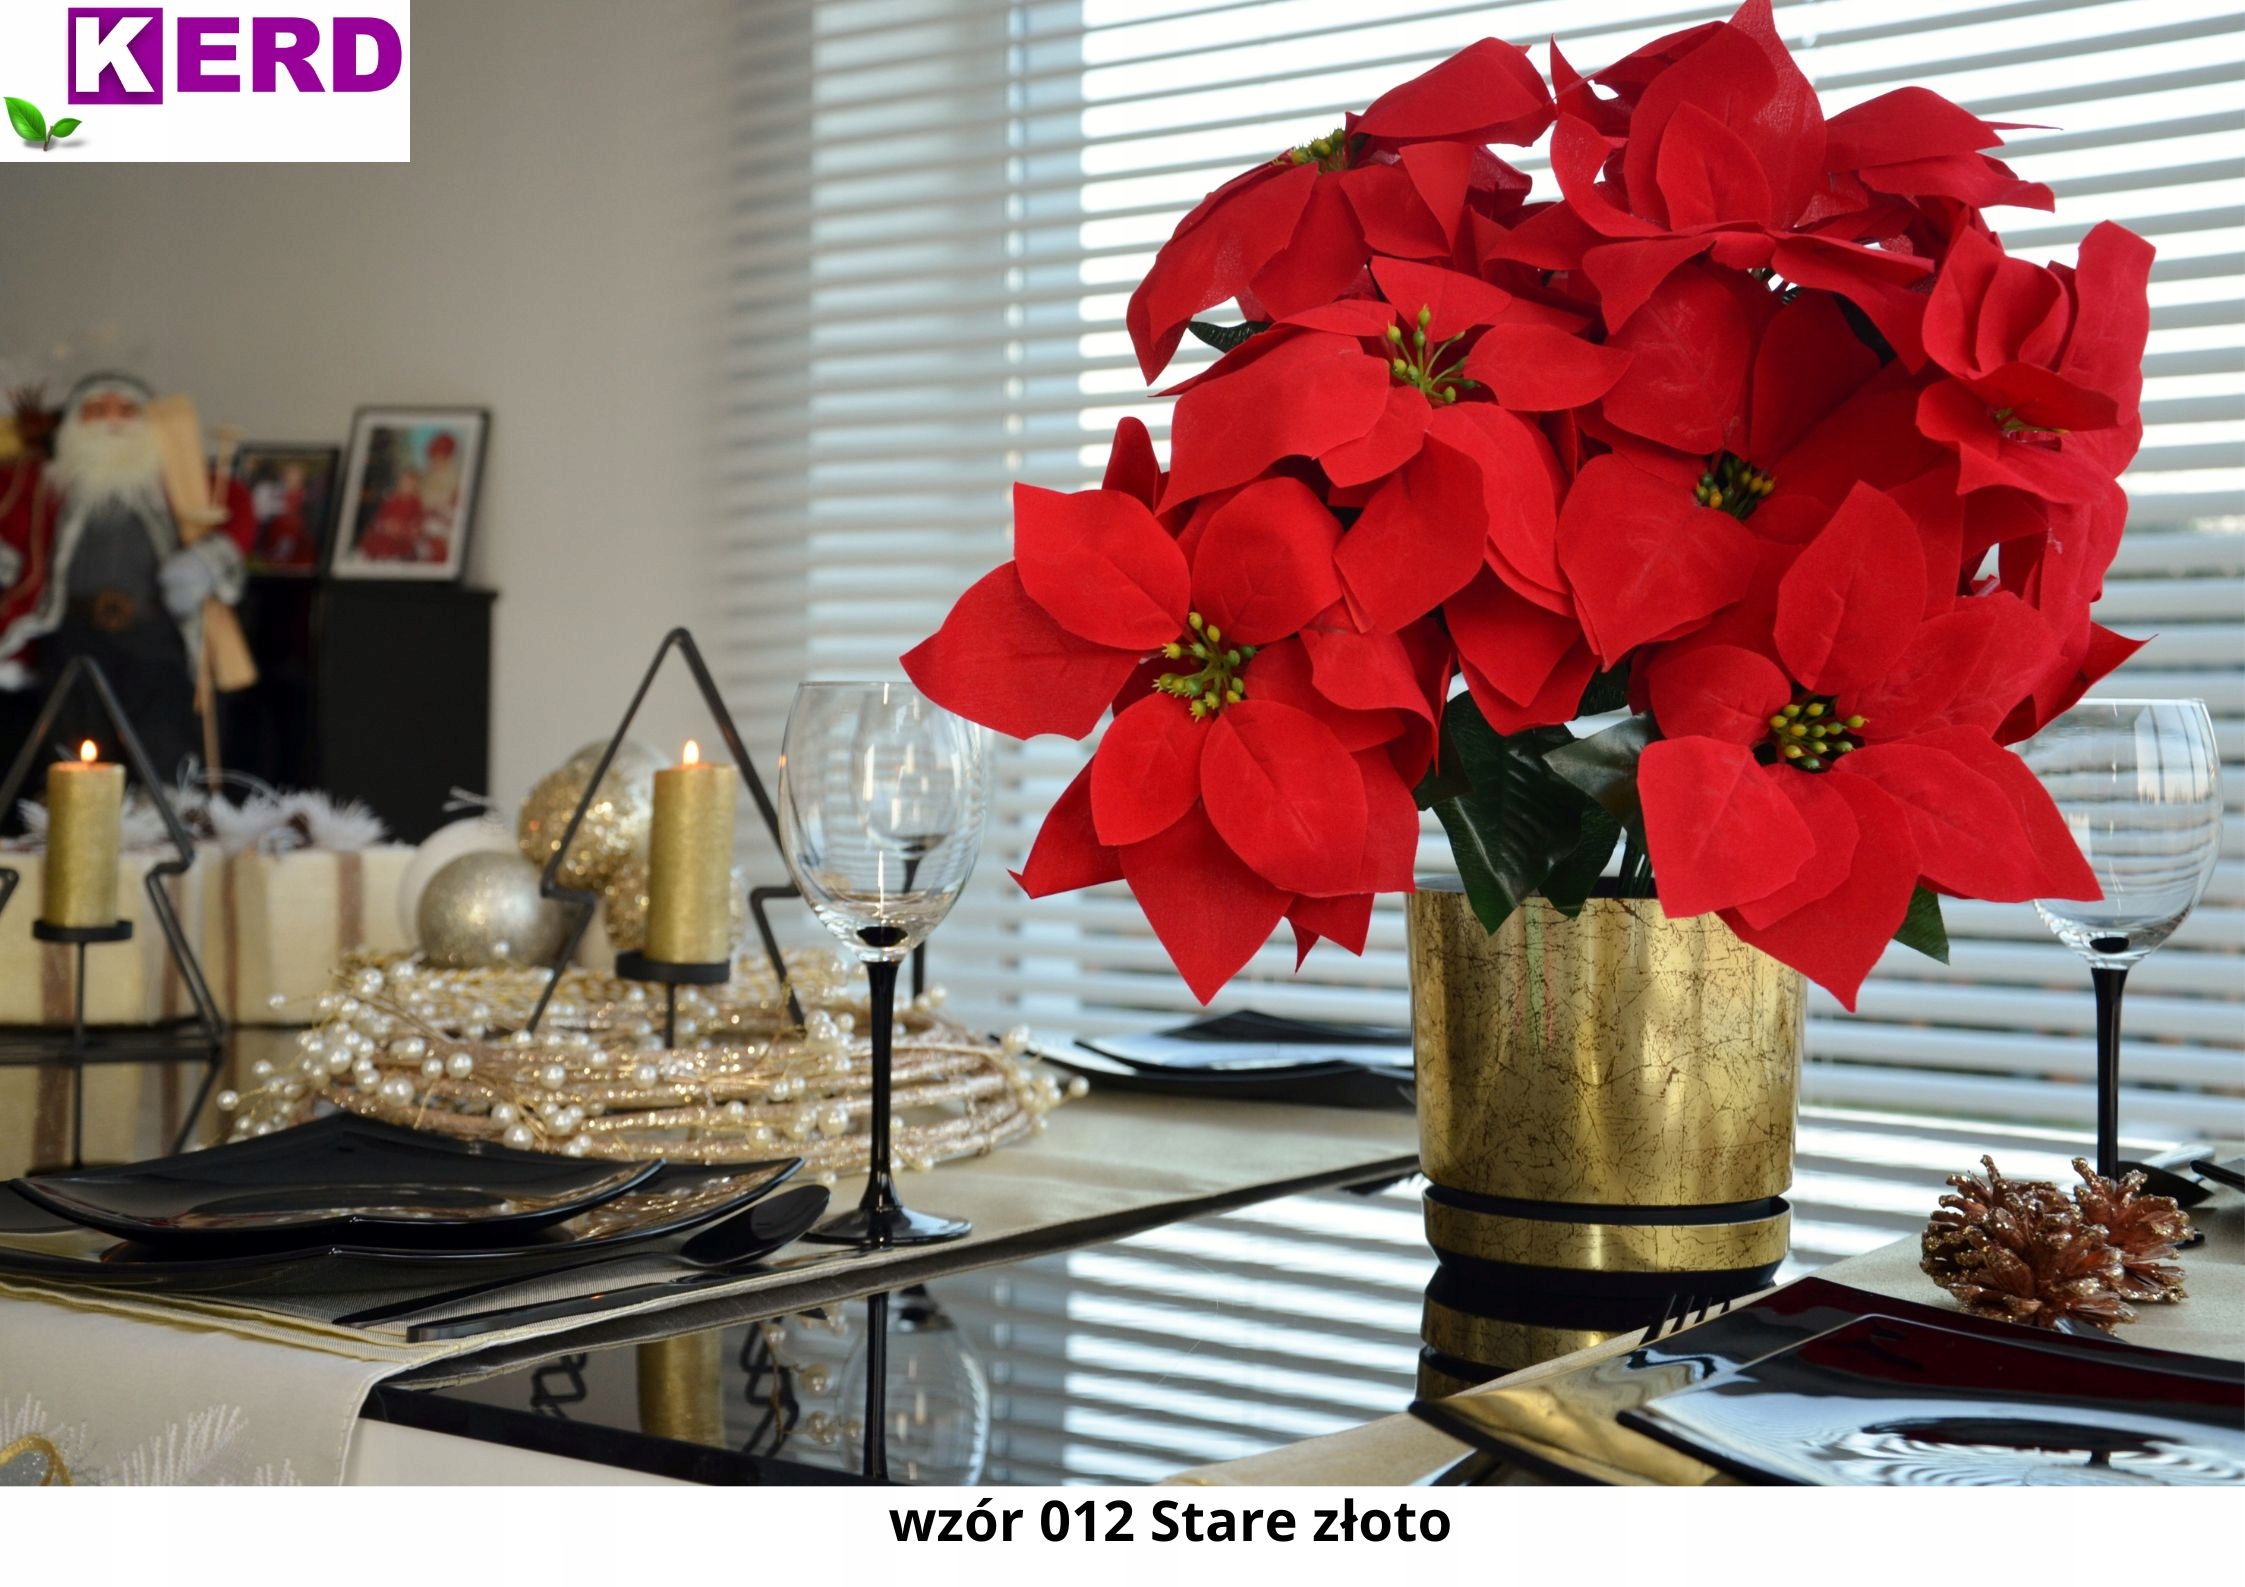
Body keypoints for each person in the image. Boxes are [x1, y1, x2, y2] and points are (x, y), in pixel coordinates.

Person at [0, 373, 255, 783]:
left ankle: (163, 811)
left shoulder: (180, 483)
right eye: (97, 411)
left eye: (125, 410)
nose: (112, 420)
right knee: (72, 746)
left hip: (156, 633)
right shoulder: (46, 485)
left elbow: (235, 506)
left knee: (161, 742)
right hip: (72, 634)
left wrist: (202, 565)